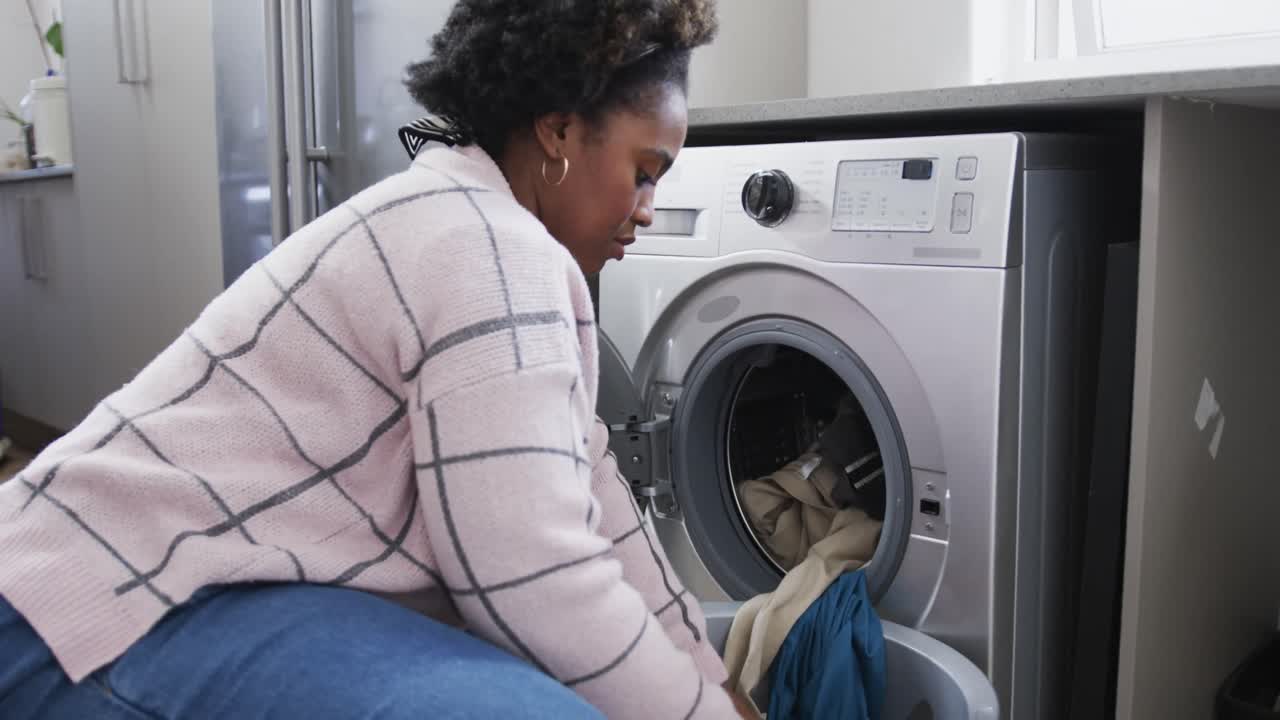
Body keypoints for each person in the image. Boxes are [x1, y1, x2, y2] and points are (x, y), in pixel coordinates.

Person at [0, 1, 756, 717]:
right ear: (558, 131)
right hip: (90, 605)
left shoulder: (474, 224)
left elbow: (597, 497)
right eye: (646, 171)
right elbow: (538, 579)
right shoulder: (489, 246)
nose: (649, 207)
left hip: (183, 577)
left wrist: (710, 680)